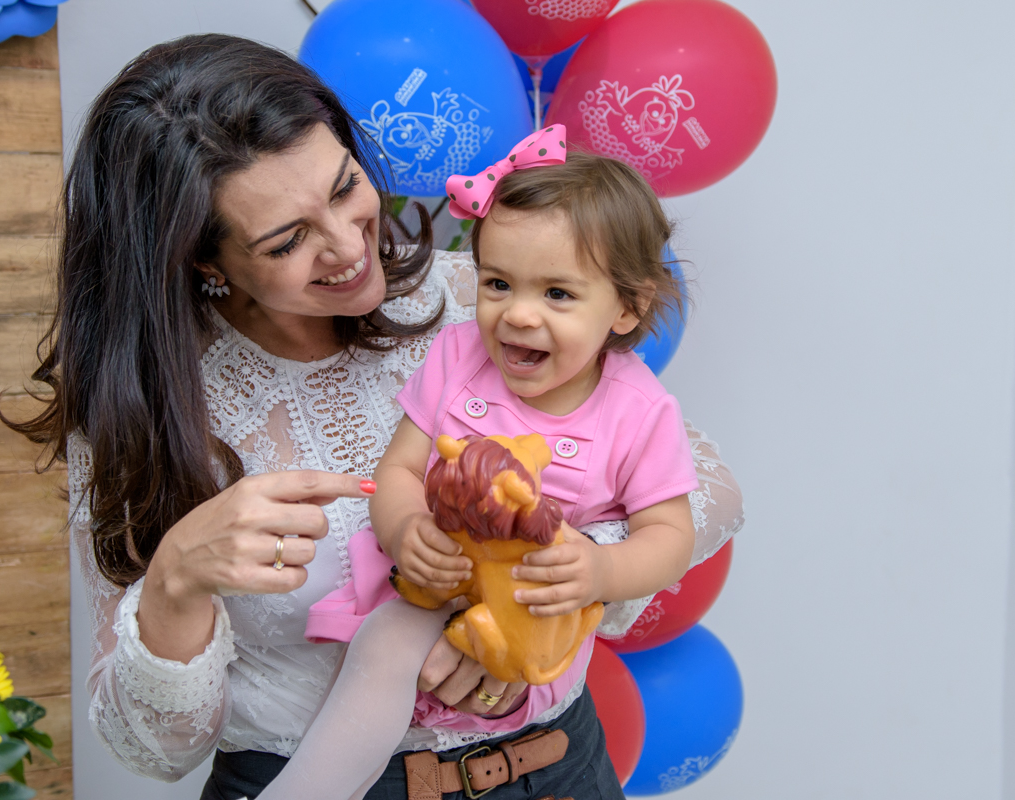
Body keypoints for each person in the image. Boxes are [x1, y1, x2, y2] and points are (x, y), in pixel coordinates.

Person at [5, 34, 744, 800]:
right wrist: (176, 581)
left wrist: (540, 587)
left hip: (557, 770)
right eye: (288, 240)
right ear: (203, 260)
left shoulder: (478, 300)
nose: (349, 246)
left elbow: (708, 487)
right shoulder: (148, 415)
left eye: (344, 186)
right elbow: (152, 751)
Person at [255, 134, 702, 800]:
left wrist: (602, 570)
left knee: (474, 669)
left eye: (557, 293)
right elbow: (400, 469)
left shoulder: (638, 411)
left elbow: (672, 536)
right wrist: (406, 529)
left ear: (627, 308)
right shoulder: (460, 356)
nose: (517, 315)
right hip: (441, 580)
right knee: (383, 645)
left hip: (529, 609)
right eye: (497, 283)